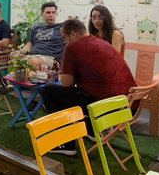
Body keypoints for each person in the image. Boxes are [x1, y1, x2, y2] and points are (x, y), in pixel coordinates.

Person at [42, 19, 137, 156]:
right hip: (130, 106)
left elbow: (66, 83)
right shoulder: (103, 42)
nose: (64, 42)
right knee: (84, 90)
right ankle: (91, 130)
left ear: (73, 34)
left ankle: (66, 143)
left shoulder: (72, 47)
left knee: (49, 91)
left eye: (64, 38)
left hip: (110, 108)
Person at [18, 2, 65, 69]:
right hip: (32, 56)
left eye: (53, 12)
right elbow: (28, 45)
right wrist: (18, 53)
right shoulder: (35, 28)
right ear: (41, 14)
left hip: (50, 58)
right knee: (17, 62)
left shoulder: (62, 27)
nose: (51, 15)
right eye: (48, 12)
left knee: (32, 62)